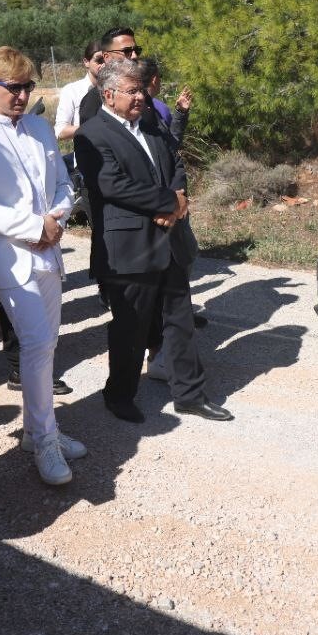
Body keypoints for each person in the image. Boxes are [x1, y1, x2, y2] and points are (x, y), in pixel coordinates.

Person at [0, 47, 87, 484]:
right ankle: (45, 437)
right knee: (35, 342)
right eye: (15, 87)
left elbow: (63, 183)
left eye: (28, 86)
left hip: (49, 249)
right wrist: (35, 227)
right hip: (9, 256)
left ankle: (36, 430)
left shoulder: (40, 127)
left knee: (46, 344)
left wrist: (56, 218)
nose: (23, 96)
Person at [74, 58, 232, 425]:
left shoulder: (151, 123)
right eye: (132, 91)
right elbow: (111, 184)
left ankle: (190, 395)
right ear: (108, 95)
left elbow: (175, 162)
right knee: (131, 327)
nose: (141, 97)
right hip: (130, 247)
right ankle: (119, 395)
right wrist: (167, 202)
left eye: (142, 90)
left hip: (169, 239)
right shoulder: (91, 135)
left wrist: (178, 200)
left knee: (180, 321)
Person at [54, 38, 105, 141]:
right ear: (86, 62)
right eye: (99, 60)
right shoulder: (72, 91)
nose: (104, 65)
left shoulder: (117, 90)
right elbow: (60, 131)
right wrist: (93, 128)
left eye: (107, 60)